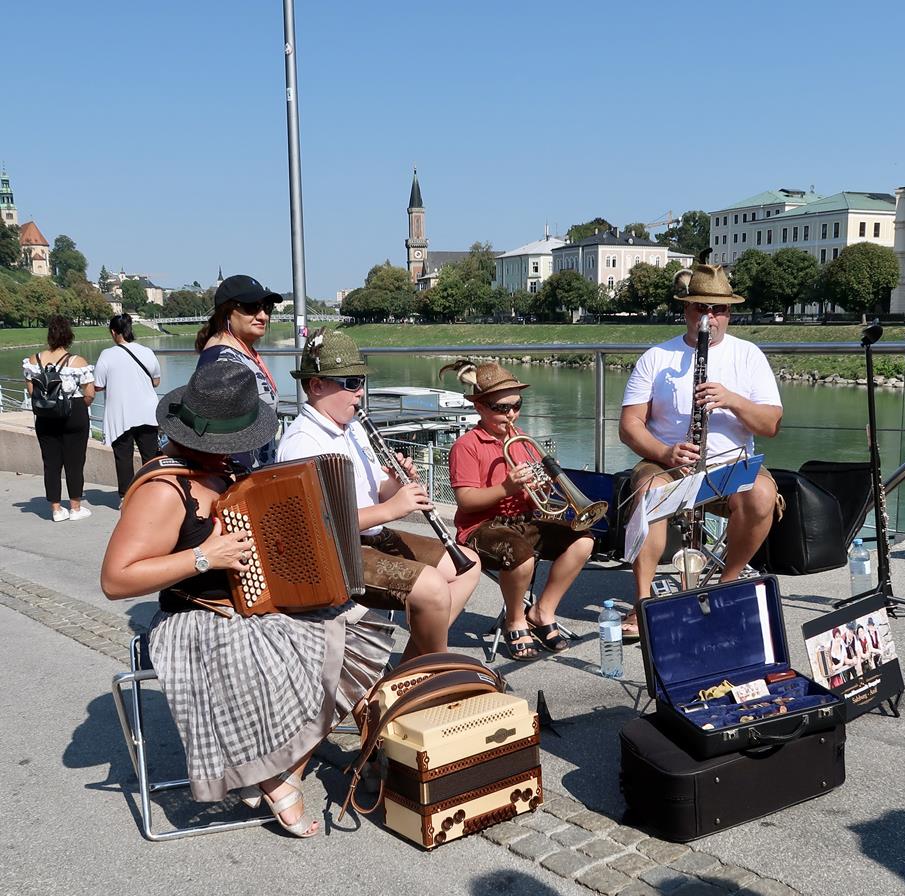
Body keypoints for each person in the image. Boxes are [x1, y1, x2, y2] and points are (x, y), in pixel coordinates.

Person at [100, 362, 393, 837]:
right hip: (197, 619)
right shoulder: (163, 489)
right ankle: (271, 774)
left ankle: (278, 767)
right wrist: (204, 556)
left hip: (249, 603)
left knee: (353, 623)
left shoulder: (222, 469)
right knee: (273, 652)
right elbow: (116, 580)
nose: (237, 452)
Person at [276, 329, 479, 658]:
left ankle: (411, 668)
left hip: (371, 536)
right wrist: (392, 509)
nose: (360, 391)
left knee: (468, 565)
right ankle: (434, 670)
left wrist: (399, 485)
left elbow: (379, 489)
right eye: (351, 382)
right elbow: (315, 526)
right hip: (334, 554)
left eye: (362, 381)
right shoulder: (302, 443)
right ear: (316, 386)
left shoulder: (353, 427)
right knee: (432, 588)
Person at [617, 258, 783, 638]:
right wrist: (664, 452)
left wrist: (733, 400)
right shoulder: (657, 358)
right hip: (668, 462)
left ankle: (725, 585)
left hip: (731, 464)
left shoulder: (748, 355)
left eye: (719, 309)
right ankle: (643, 602)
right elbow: (629, 426)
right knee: (649, 492)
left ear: (729, 314)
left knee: (762, 494)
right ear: (686, 309)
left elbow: (771, 425)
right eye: (701, 307)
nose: (710, 316)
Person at [445, 360, 594, 661]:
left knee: (583, 540)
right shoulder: (466, 445)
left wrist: (543, 487)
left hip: (522, 520)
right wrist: (506, 488)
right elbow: (466, 501)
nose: (511, 414)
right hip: (481, 527)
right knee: (521, 554)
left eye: (517, 405)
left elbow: (536, 495)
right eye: (501, 408)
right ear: (479, 407)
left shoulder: (522, 440)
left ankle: (542, 611)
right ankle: (515, 620)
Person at [194, 274, 283, 469]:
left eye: (267, 307)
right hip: (238, 478)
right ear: (227, 312)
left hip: (257, 474)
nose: (263, 316)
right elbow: (219, 435)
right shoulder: (223, 361)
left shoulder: (243, 351)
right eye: (252, 307)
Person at [23, 315, 96, 521]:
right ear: (69, 336)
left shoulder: (33, 360)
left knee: (51, 462)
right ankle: (75, 507)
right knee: (75, 461)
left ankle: (56, 509)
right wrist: (79, 405)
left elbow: (32, 392)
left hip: (45, 415)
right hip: (73, 412)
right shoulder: (77, 361)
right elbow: (89, 393)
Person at [94, 313, 161, 497]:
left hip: (121, 414)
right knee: (150, 457)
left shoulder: (106, 355)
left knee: (123, 457)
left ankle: (127, 496)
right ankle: (153, 494)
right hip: (147, 411)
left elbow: (98, 385)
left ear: (113, 332)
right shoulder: (147, 352)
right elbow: (156, 381)